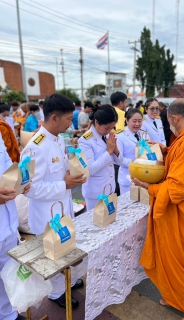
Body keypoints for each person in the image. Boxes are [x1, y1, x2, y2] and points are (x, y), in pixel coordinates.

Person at [132, 98, 184, 320]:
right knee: (169, 261)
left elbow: (178, 190)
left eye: (169, 120)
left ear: (175, 118)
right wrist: (166, 151)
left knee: (181, 265)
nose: (169, 125)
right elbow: (182, 164)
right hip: (183, 210)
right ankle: (174, 296)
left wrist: (150, 187)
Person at [22, 94, 86, 309]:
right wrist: (63, 185)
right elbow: (28, 188)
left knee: (64, 248)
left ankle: (65, 281)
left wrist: (72, 172)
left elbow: (59, 171)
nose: (71, 123)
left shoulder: (58, 138)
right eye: (69, 119)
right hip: (46, 215)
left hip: (62, 207)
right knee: (52, 255)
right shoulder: (35, 147)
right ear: (55, 118)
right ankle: (56, 292)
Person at [0, 133, 29, 320]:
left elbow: (6, 168)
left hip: (7, 224)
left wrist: (20, 182)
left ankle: (7, 314)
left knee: (6, 277)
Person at [78, 104, 123, 210]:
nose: (109, 131)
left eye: (112, 128)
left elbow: (120, 162)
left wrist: (115, 149)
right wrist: (109, 151)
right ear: (97, 122)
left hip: (110, 187)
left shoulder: (107, 136)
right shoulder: (85, 140)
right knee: (96, 224)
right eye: (107, 128)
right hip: (95, 192)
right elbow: (89, 169)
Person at [117, 109, 143, 194]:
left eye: (140, 121)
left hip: (143, 178)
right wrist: (136, 164)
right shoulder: (120, 137)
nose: (137, 124)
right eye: (134, 121)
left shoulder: (144, 135)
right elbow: (119, 159)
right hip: (127, 178)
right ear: (127, 121)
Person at [110, 91, 127, 196]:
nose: (125, 105)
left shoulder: (108, 111)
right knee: (117, 182)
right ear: (121, 103)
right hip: (117, 149)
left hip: (106, 149)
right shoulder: (121, 114)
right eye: (125, 102)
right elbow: (119, 131)